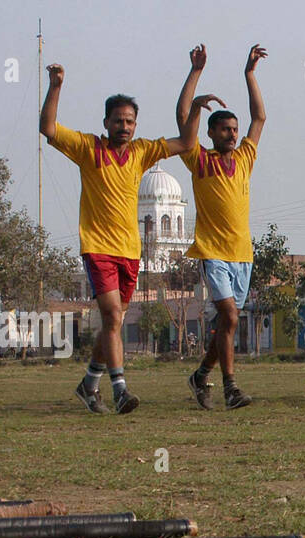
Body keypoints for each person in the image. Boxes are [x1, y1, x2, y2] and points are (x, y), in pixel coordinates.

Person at [40, 57, 198, 413]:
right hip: (98, 247)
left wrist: (195, 80)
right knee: (112, 316)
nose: (123, 126)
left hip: (130, 251)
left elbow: (188, 142)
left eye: (129, 121)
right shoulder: (88, 148)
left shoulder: (142, 152)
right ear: (106, 123)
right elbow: (48, 128)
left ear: (135, 125)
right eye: (117, 121)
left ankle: (88, 384)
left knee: (114, 322)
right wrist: (56, 86)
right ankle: (120, 389)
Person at [177, 44, 267, 410]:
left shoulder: (244, 157)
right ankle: (231, 388)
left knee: (228, 325)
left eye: (234, 129)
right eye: (225, 130)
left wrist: (250, 74)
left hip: (242, 254)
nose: (232, 134)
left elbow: (259, 118)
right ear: (212, 133)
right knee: (229, 317)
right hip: (212, 252)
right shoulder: (199, 159)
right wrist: (195, 78)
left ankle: (200, 376)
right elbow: (182, 118)